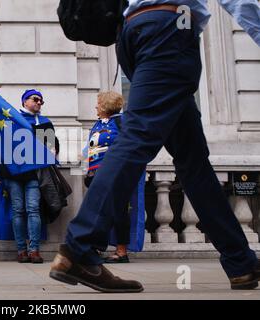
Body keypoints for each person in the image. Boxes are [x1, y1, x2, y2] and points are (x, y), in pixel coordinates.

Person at [50, 0, 260, 292]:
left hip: (132, 33)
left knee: (194, 163)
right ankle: (78, 247)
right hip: (170, 29)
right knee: (137, 137)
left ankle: (242, 264)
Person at [1, 89, 59, 264]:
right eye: (36, 99)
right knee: (18, 210)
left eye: (41, 101)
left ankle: (34, 250)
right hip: (13, 172)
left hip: (35, 173)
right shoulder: (12, 119)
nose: (39, 103)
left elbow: (51, 150)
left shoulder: (44, 122)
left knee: (33, 209)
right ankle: (21, 250)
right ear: (25, 101)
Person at [85, 91, 131, 263]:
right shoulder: (97, 124)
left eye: (98, 103)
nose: (96, 106)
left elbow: (129, 146)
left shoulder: (122, 121)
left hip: (116, 174)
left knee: (119, 212)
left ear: (106, 105)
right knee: (99, 212)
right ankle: (95, 248)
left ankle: (121, 252)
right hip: (97, 175)